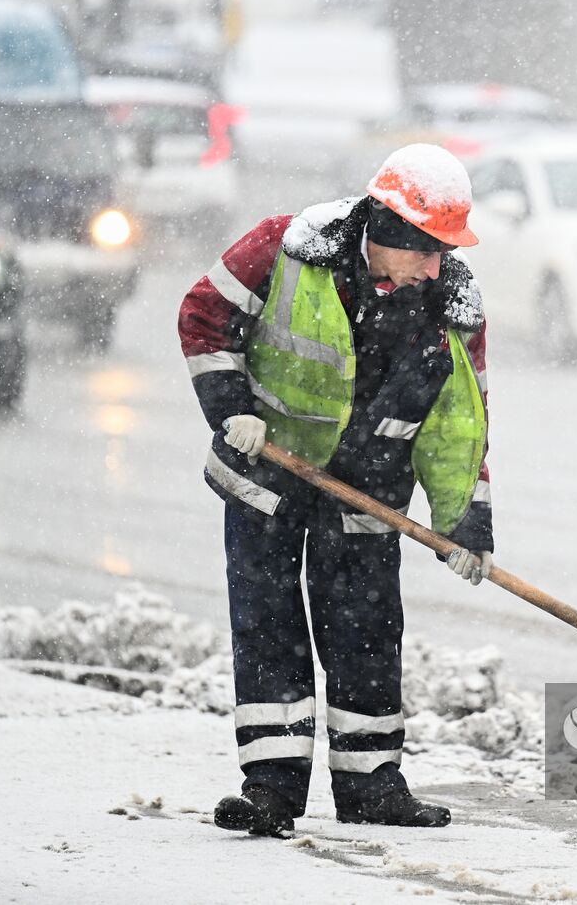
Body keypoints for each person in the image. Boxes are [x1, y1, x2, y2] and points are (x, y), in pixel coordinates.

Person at [177, 144, 494, 836]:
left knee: (368, 634)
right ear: (388, 231)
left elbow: (459, 424)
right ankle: (271, 789)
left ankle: (372, 786)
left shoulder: (451, 303)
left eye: (444, 251)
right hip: (268, 476)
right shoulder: (285, 249)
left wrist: (466, 521)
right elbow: (203, 315)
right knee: (269, 632)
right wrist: (232, 406)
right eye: (426, 249)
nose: (436, 266)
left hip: (366, 491)